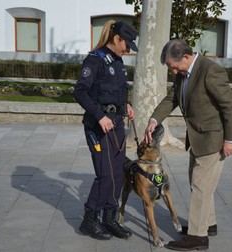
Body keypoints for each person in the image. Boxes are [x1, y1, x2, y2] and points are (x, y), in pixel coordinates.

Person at [144, 39, 232, 251]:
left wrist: (230, 140)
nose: (172, 70)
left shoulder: (210, 70)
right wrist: (154, 119)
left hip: (213, 139)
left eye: (172, 65)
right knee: (200, 185)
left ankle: (197, 238)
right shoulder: (182, 75)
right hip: (196, 138)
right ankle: (207, 225)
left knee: (200, 186)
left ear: (185, 56)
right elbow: (172, 99)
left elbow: (229, 106)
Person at [73, 20, 137, 240]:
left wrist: (125, 106)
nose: (128, 49)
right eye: (127, 44)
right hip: (98, 127)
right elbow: (80, 92)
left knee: (118, 174)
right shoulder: (95, 60)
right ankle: (89, 220)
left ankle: (109, 218)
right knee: (105, 175)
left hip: (116, 125)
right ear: (116, 38)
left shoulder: (117, 62)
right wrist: (99, 116)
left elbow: (118, 91)